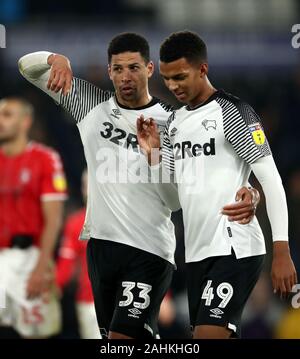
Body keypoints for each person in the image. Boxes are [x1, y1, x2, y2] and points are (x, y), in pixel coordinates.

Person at [18, 33, 258, 339]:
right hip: (101, 248)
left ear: (149, 69)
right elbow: (27, 67)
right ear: (109, 72)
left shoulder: (173, 122)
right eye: (118, 69)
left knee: (122, 341)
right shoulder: (88, 105)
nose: (125, 76)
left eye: (133, 67)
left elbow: (177, 199)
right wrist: (55, 59)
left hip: (149, 251)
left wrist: (251, 192)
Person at [137, 30, 298, 339]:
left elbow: (270, 178)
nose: (173, 86)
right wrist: (155, 154)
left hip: (233, 247)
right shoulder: (175, 123)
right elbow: (174, 200)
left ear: (203, 69)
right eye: (168, 78)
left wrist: (282, 248)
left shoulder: (232, 112)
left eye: (181, 77)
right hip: (197, 254)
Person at [0, 97, 67, 338]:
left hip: (30, 258)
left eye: (7, 115)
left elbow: (54, 219)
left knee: (37, 334)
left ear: (25, 121)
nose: (1, 121)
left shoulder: (45, 159)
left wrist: (41, 267)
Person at [56, 169, 99, 339]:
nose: (87, 190)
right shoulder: (76, 223)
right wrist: (51, 289)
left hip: (126, 302)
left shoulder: (127, 220)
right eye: (84, 185)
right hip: (91, 303)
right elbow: (64, 269)